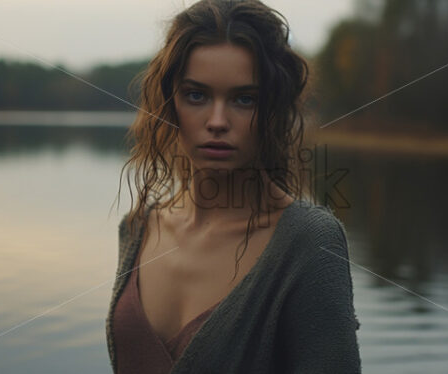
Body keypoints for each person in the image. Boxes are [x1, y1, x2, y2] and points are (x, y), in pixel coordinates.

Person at [105, 0, 361, 373]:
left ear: (272, 109)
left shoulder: (308, 242)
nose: (218, 121)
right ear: (170, 102)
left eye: (244, 99)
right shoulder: (136, 229)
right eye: (197, 95)